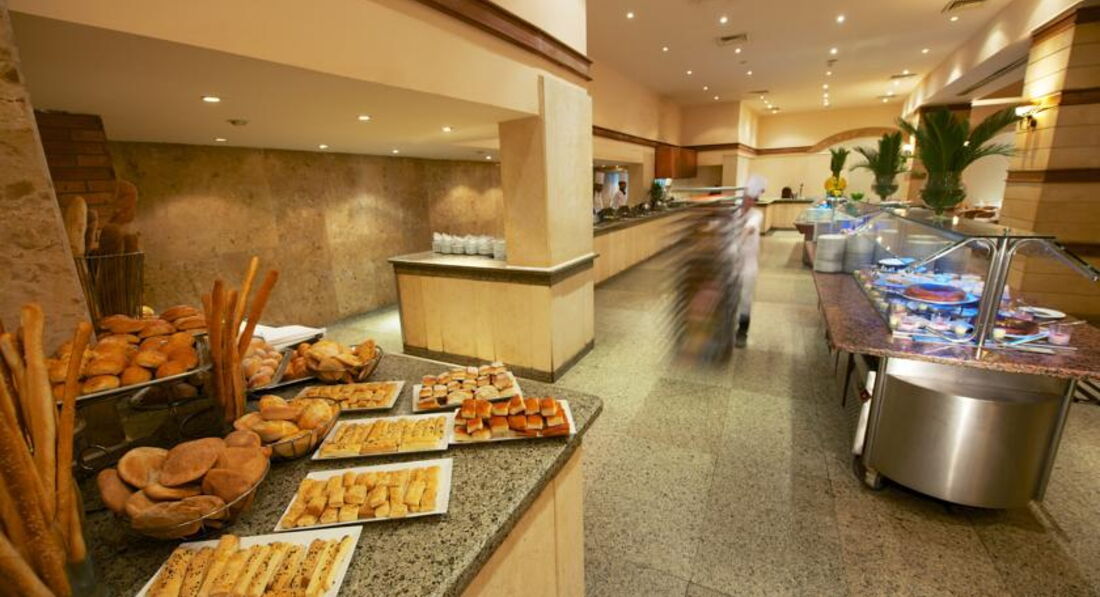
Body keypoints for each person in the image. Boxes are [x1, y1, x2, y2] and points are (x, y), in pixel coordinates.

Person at [734, 174, 766, 348]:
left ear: (754, 201)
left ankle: (742, 332)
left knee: (745, 299)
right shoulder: (733, 213)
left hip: (748, 266)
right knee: (731, 297)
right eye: (745, 197)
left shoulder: (756, 215)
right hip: (733, 264)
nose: (746, 201)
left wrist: (738, 242)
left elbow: (749, 228)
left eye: (750, 199)